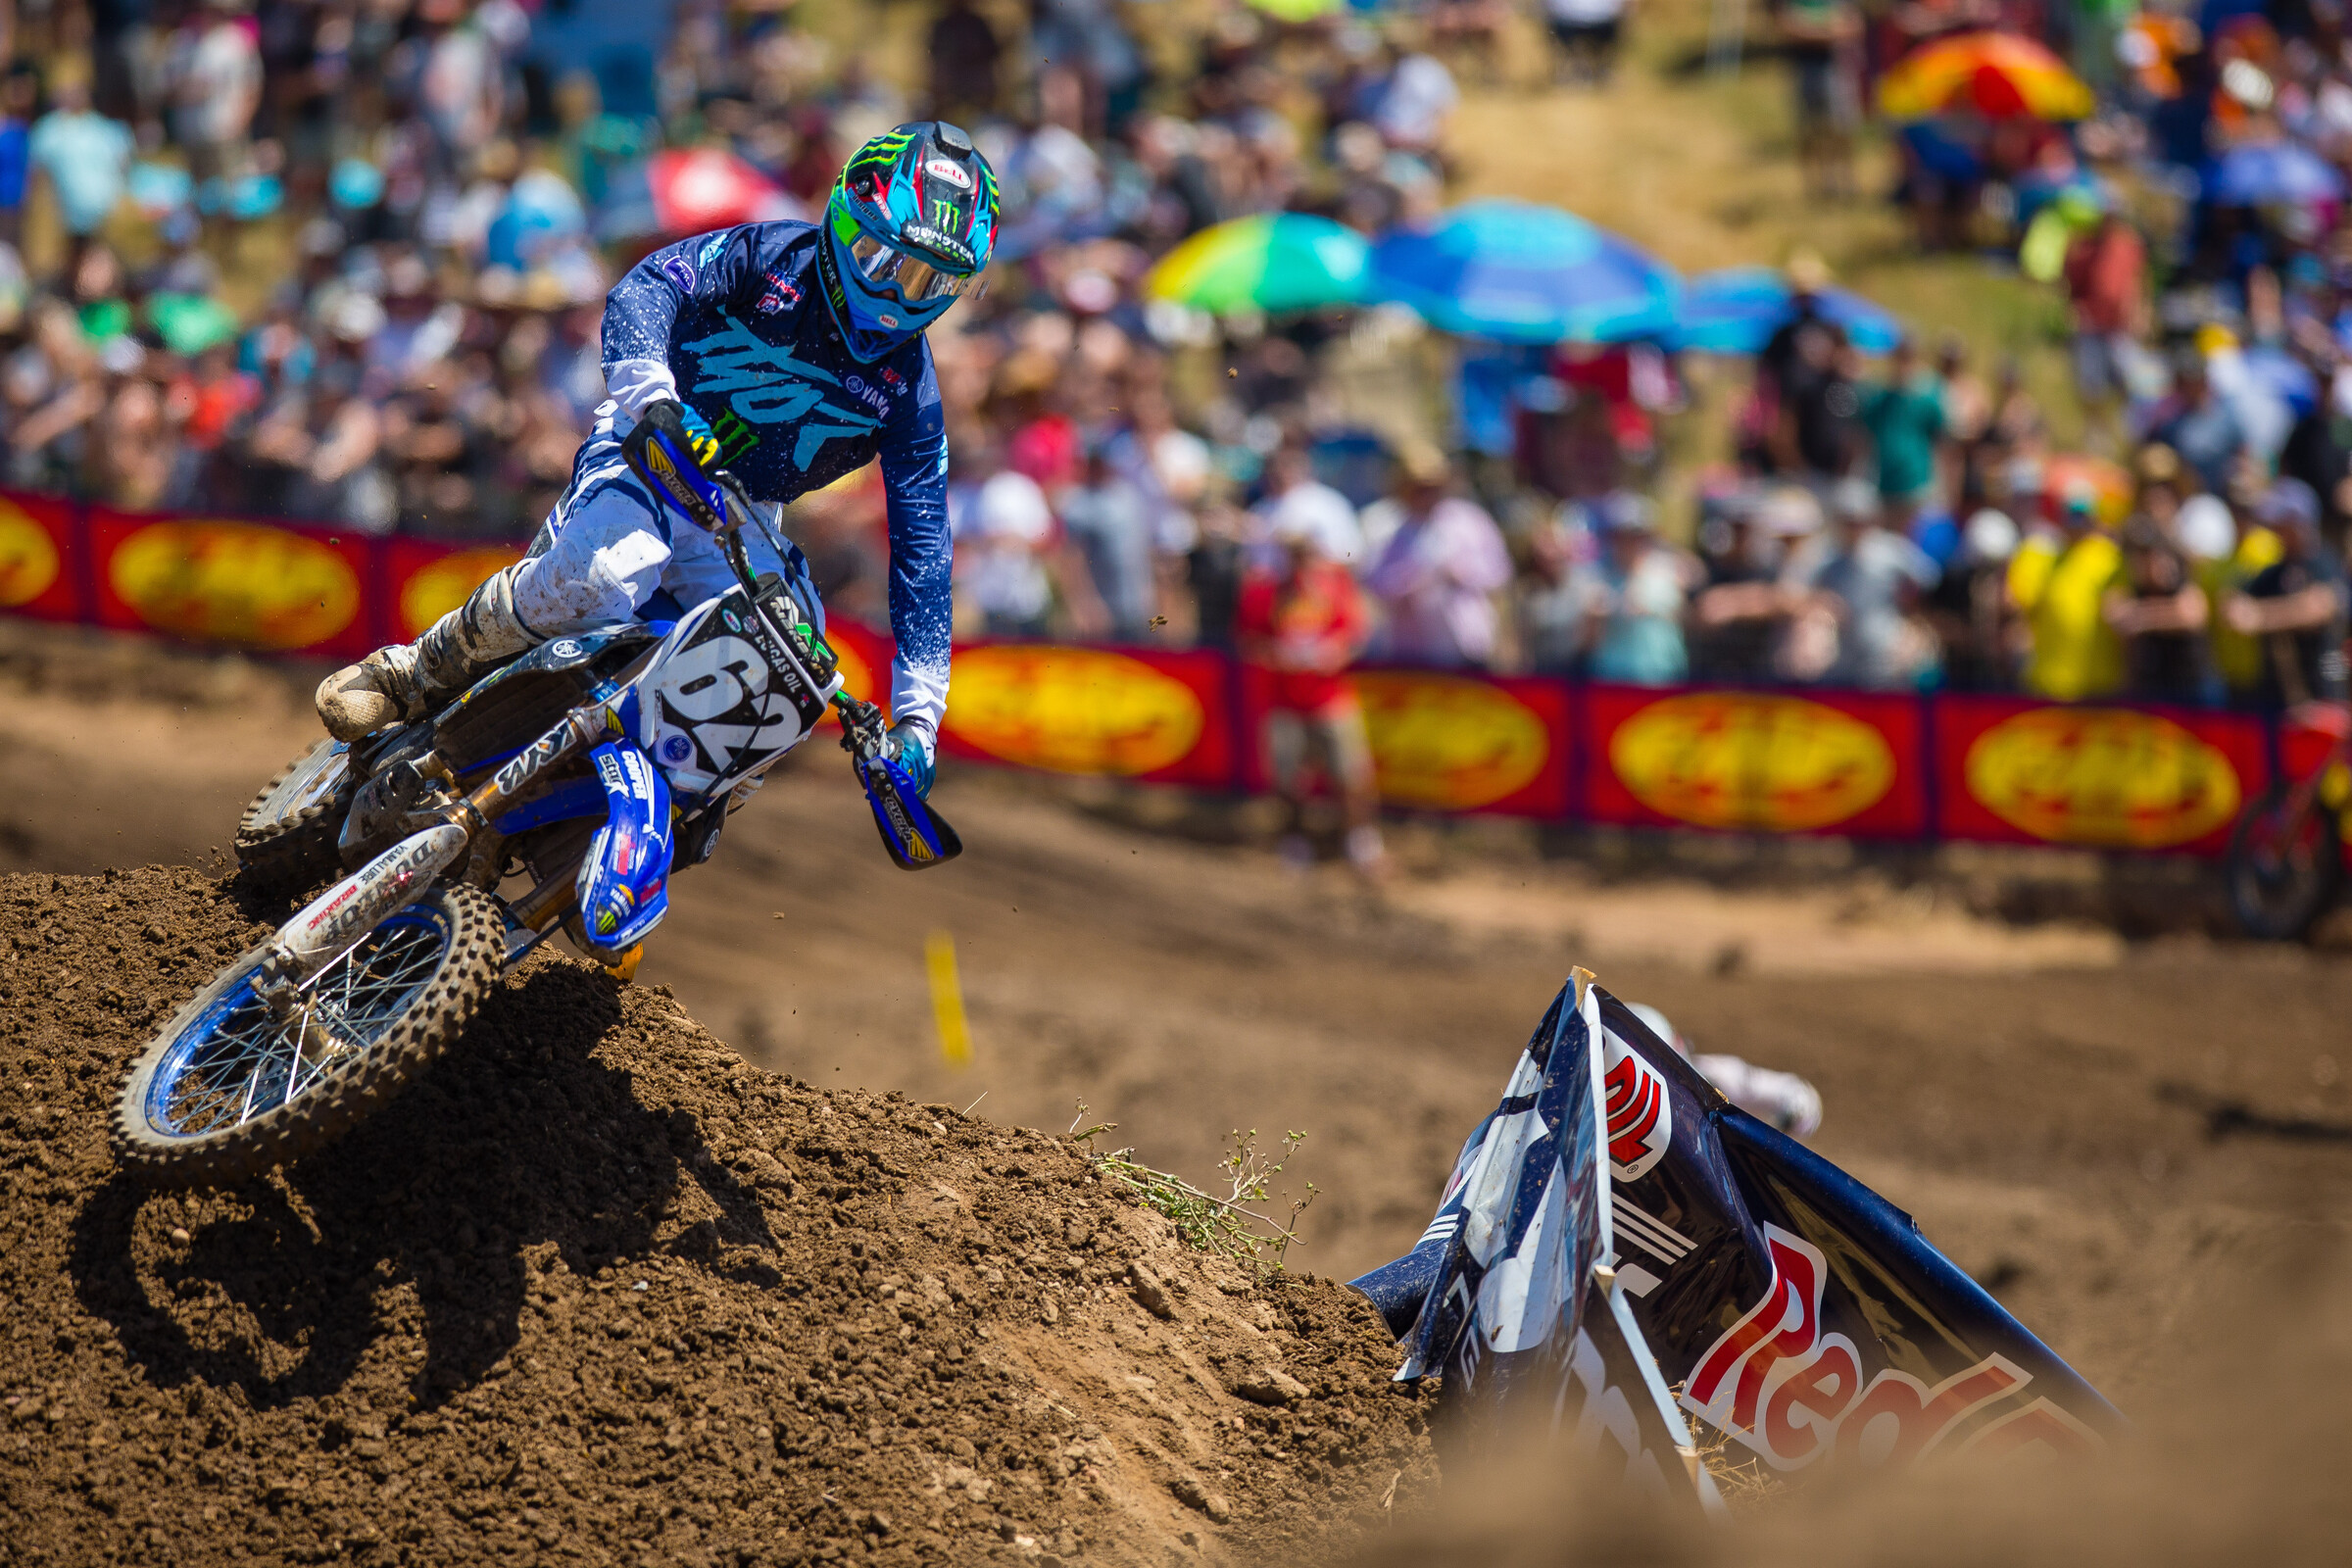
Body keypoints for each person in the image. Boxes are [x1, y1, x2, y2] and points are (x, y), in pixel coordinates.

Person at [313, 122, 1003, 801]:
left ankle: (658, 818)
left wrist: (918, 720)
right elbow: (650, 287)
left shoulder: (913, 395)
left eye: (931, 284)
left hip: (746, 512)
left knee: (787, 689)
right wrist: (654, 398)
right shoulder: (771, 255)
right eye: (892, 265)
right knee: (599, 581)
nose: (901, 298)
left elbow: (925, 554)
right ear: (851, 224)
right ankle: (414, 672)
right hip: (652, 443)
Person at [1235, 507, 1388, 879]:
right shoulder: (1264, 593)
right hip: (1284, 701)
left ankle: (1359, 840)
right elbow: (1247, 641)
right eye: (1294, 553)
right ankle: (1295, 840)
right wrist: (1275, 656)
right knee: (1289, 781)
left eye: (1307, 552)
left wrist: (1335, 652)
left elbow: (1357, 633)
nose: (1302, 561)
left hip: (1331, 699)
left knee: (1352, 776)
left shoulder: (1336, 587)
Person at [1361, 446, 1513, 667]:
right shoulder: (1384, 525)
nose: (1427, 495)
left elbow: (1498, 573)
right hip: (1409, 650)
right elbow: (1371, 583)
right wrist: (1407, 584)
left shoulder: (1469, 520)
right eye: (1419, 487)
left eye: (1433, 487)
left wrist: (1461, 573)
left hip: (1465, 645)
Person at [2224, 479, 2351, 708]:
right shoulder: (2273, 570)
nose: (2275, 529)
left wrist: (2261, 617)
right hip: (2276, 702)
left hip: (2324, 698)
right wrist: (2284, 612)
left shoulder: (2325, 562)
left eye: (2283, 522)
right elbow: (2233, 610)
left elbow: (2318, 608)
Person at [2008, 480, 2127, 700]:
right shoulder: (2043, 557)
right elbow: (2016, 604)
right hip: (2048, 683)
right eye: (2070, 513)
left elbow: (2119, 611)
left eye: (2082, 513)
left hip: (2097, 685)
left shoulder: (2112, 558)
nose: (2075, 521)